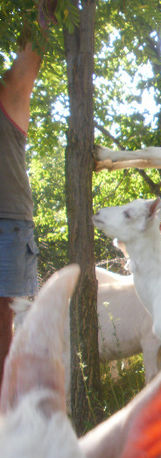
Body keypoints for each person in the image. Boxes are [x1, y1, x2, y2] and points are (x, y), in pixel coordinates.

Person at [0, 41, 42, 388]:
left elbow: (33, 50)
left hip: (8, 226)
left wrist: (43, 10)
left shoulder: (10, 94)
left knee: (9, 331)